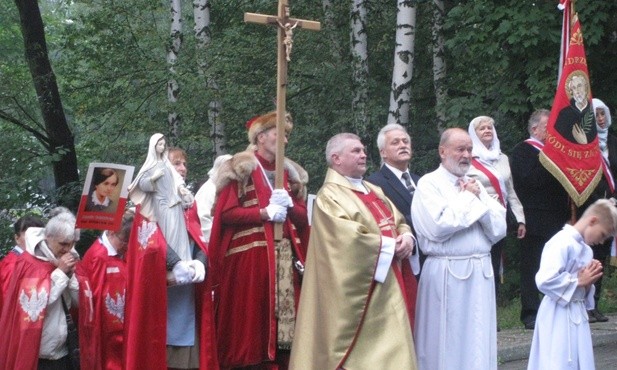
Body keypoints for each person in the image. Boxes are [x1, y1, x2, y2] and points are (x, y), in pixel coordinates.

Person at [289, 133, 418, 369]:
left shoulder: (372, 189)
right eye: (356, 151)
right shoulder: (330, 195)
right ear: (336, 159)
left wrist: (407, 236)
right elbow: (346, 240)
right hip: (363, 286)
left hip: (390, 275)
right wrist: (390, 245)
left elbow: (397, 220)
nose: (363, 155)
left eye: (363, 150)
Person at [209, 111, 309, 369]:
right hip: (250, 259)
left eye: (287, 136)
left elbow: (302, 218)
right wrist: (262, 213)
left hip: (284, 257)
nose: (285, 141)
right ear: (261, 137)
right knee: (252, 320)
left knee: (285, 323)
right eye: (279, 134)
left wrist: (290, 206)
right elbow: (226, 213)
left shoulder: (290, 173)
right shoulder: (240, 167)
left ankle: (283, 361)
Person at [411, 128, 507, 370]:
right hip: (446, 272)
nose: (466, 155)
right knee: (447, 340)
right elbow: (439, 226)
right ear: (442, 152)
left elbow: (498, 228)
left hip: (480, 271)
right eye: (460, 149)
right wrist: (469, 200)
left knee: (479, 337)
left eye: (469, 150)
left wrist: (473, 200)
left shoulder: (473, 184)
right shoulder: (428, 184)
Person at [128, 134, 209, 369]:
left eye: (185, 164)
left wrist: (200, 261)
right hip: (160, 300)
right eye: (177, 164)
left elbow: (199, 238)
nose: (183, 169)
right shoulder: (146, 207)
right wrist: (175, 263)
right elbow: (150, 242)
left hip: (187, 299)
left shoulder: (187, 204)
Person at [527, 199, 617, 370]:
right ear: (593, 221)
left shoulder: (587, 250)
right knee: (557, 358)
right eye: (603, 234)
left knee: (579, 357)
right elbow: (544, 279)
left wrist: (589, 282)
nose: (602, 241)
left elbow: (582, 288)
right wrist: (578, 281)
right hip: (557, 313)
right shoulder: (561, 242)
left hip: (577, 311)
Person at [510, 109, 571, 329]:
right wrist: (549, 157)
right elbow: (528, 180)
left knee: (556, 266)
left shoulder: (557, 151)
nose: (552, 132)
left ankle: (554, 307)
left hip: (558, 217)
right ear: (535, 128)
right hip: (534, 219)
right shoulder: (522, 151)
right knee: (532, 267)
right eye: (548, 128)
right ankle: (530, 313)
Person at [0, 207, 80, 370]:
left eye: (71, 244)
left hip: (65, 351)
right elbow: (34, 307)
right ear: (48, 237)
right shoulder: (30, 263)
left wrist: (70, 277)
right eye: (63, 244)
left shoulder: (65, 259)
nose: (67, 250)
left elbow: (79, 302)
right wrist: (61, 274)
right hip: (40, 355)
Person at [467, 116, 526, 297]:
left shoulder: (502, 158)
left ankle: (492, 313)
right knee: (480, 263)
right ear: (473, 134)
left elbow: (510, 191)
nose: (487, 131)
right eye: (482, 128)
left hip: (500, 217)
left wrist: (520, 219)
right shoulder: (468, 158)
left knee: (495, 262)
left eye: (489, 127)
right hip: (479, 218)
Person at [75, 209, 133, 370]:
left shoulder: (120, 253)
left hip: (122, 327)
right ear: (112, 233)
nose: (126, 247)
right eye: (124, 242)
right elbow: (94, 300)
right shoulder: (98, 256)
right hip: (106, 332)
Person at [0, 214, 45, 308]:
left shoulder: (33, 260)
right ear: (17, 238)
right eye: (29, 235)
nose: (35, 239)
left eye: (38, 234)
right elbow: (8, 304)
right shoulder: (12, 266)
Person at [194, 154, 232, 241]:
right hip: (207, 242)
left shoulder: (219, 188)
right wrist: (213, 241)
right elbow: (204, 218)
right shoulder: (208, 190)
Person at [555, 73, 597, 144]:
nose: (577, 91)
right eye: (574, 88)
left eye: (579, 86)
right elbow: (558, 140)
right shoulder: (564, 114)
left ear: (586, 87)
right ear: (571, 92)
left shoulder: (595, 112)